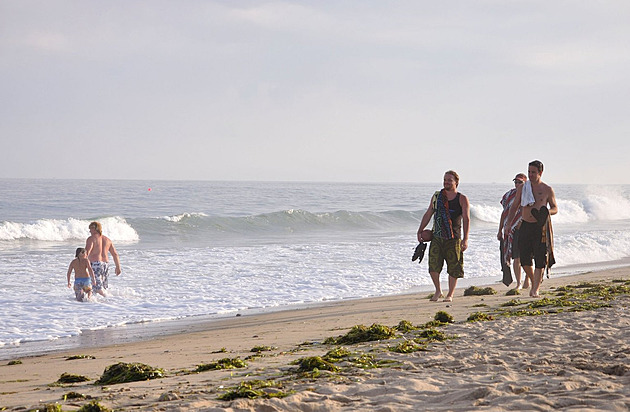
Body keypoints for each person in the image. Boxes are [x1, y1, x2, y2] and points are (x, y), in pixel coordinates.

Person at [504, 160, 557, 298]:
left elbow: (555, 208)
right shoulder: (523, 188)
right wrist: (508, 224)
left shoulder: (547, 189)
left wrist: (547, 212)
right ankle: (535, 281)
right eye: (529, 172)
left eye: (533, 172)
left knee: (540, 259)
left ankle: (535, 289)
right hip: (525, 225)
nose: (531, 175)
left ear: (540, 172)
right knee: (524, 259)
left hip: (540, 227)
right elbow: (515, 206)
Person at [416, 170, 470, 302]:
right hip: (437, 236)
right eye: (445, 179)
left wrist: (465, 239)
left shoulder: (461, 198)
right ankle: (438, 290)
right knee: (433, 265)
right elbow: (429, 213)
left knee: (453, 267)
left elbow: (466, 218)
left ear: (456, 182)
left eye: (449, 180)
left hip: (454, 238)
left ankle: (450, 294)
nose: (446, 182)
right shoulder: (437, 196)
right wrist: (420, 230)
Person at [497, 173, 530, 290]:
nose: (517, 184)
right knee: (516, 257)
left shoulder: (529, 195)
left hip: (526, 229)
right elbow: (504, 213)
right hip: (512, 230)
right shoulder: (509, 195)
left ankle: (528, 279)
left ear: (526, 183)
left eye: (520, 182)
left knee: (528, 257)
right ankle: (518, 283)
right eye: (515, 182)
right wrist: (500, 230)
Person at [85, 221, 121, 296]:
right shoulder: (108, 240)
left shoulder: (91, 239)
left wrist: (82, 264)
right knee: (103, 286)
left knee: (97, 287)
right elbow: (115, 254)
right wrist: (118, 267)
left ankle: (108, 299)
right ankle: (102, 304)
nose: (89, 231)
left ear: (95, 229)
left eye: (90, 229)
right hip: (105, 265)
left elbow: (87, 253)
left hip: (95, 264)